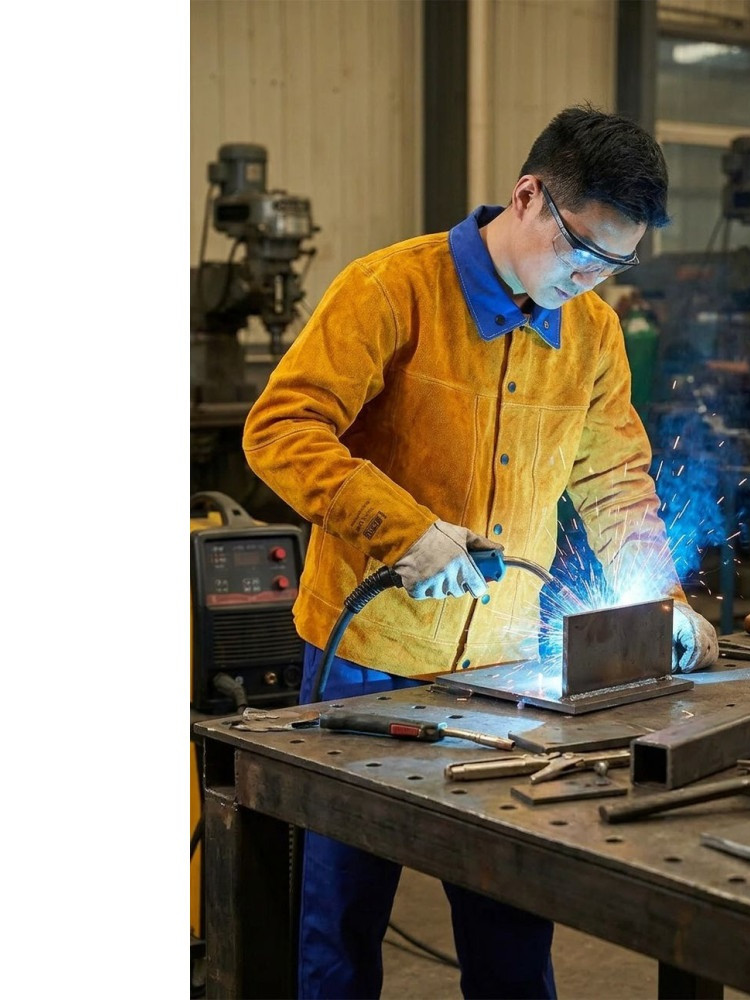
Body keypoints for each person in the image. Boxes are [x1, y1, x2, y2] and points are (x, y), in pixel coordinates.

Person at [243, 104, 719, 999]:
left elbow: (616, 480)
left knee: (511, 932)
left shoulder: (593, 333)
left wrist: (662, 600)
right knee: (339, 927)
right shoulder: (391, 289)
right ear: (528, 196)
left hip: (505, 674)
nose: (591, 280)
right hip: (366, 661)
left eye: (616, 265)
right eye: (582, 251)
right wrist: (404, 530)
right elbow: (281, 429)